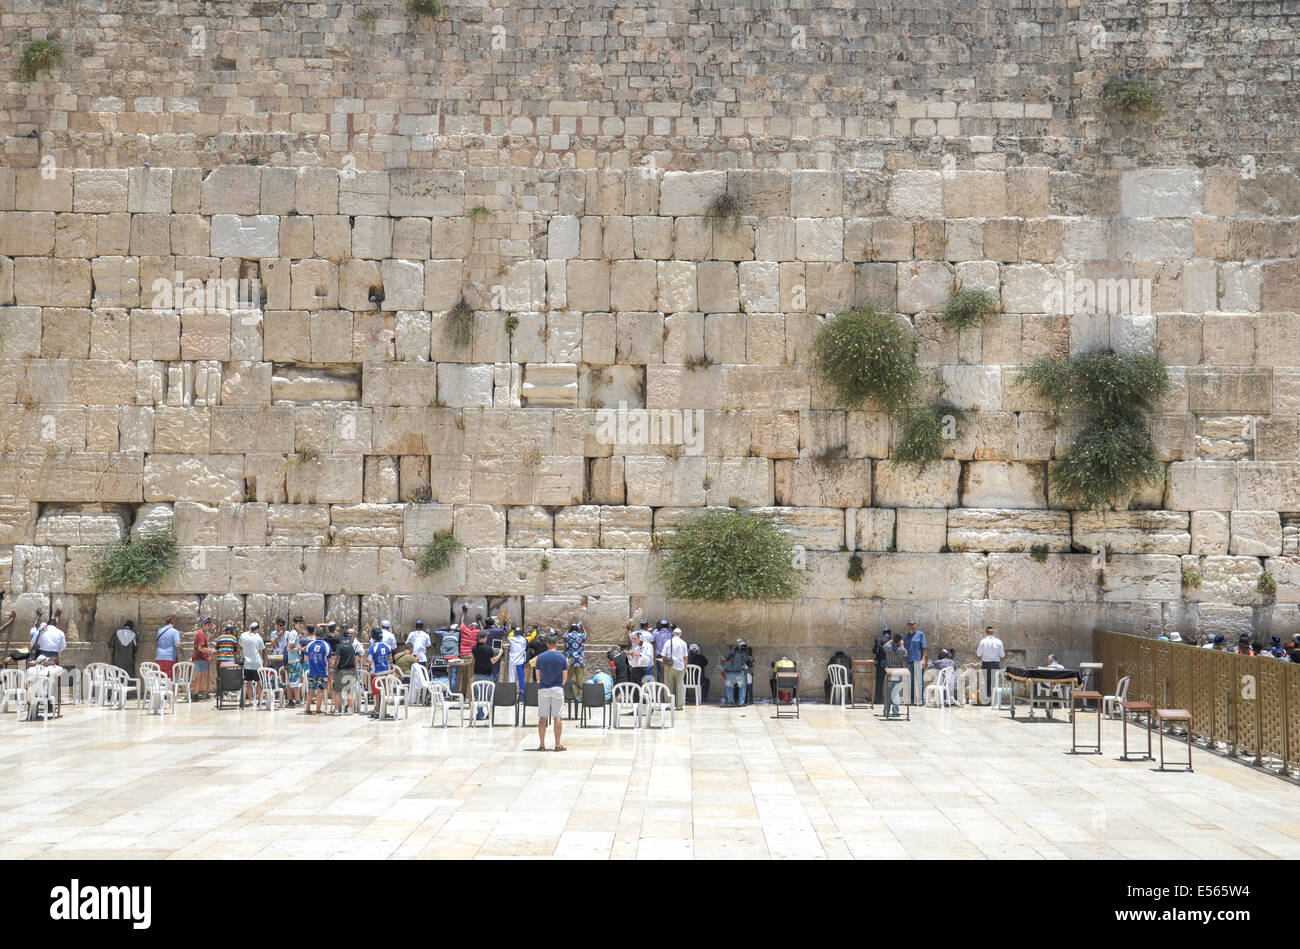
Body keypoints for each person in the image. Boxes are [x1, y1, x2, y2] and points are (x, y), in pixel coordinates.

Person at [534, 636, 568, 751]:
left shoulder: (540, 658)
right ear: (557, 643)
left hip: (543, 688)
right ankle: (557, 745)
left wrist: (543, 682)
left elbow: (537, 676)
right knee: (557, 716)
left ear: (547, 643)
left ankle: (542, 745)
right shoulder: (562, 658)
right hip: (557, 687)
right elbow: (565, 677)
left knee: (542, 717)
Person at [470, 629, 503, 720]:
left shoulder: (474, 649)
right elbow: (493, 661)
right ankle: (489, 713)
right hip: (488, 674)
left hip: (477, 674)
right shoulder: (488, 649)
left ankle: (480, 714)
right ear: (484, 638)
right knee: (489, 695)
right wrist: (500, 654)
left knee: (478, 696)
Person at [303, 627, 331, 715]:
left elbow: (306, 658)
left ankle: (307, 708)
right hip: (322, 672)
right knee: (320, 690)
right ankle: (318, 709)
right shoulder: (326, 645)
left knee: (310, 690)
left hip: (312, 671)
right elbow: (329, 659)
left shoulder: (310, 645)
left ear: (315, 634)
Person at [660, 626, 689, 710]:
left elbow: (663, 655)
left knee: (668, 685)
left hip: (669, 666)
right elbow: (685, 657)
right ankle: (679, 705)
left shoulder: (668, 642)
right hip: (680, 667)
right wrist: (685, 667)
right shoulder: (683, 643)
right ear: (680, 634)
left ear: (673, 634)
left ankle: (669, 704)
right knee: (679, 686)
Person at [975, 626, 1005, 706]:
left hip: (986, 663)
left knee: (987, 682)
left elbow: (978, 654)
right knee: (995, 682)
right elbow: (1002, 655)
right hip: (995, 663)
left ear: (986, 632)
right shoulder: (999, 641)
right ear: (993, 632)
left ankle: (988, 701)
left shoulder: (983, 641)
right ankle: (995, 701)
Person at [367, 629, 393, 717]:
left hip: (376, 673)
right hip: (386, 672)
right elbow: (390, 659)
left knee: (377, 692)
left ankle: (377, 709)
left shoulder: (373, 647)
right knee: (384, 691)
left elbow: (370, 660)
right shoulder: (387, 646)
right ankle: (384, 710)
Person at [881, 631, 908, 716]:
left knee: (888, 692)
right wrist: (902, 644)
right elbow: (905, 653)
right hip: (898, 672)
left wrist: (891, 640)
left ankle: (886, 711)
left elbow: (884, 646)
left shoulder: (888, 648)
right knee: (896, 692)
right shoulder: (901, 649)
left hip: (889, 672)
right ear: (900, 640)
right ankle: (895, 711)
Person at [332, 630, 358, 714]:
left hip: (341, 671)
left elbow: (336, 658)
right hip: (351, 671)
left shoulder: (339, 646)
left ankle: (336, 710)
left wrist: (333, 668)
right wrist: (355, 669)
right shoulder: (351, 646)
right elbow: (355, 658)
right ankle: (349, 709)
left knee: (337, 691)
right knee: (349, 691)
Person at [240, 621, 265, 705]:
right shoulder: (258, 637)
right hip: (257, 663)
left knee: (249, 682)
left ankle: (251, 701)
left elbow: (240, 646)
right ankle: (260, 700)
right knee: (259, 682)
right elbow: (261, 650)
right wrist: (261, 658)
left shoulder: (243, 635)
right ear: (257, 629)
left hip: (247, 663)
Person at [562, 622, 588, 702]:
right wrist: (583, 627)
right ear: (577, 629)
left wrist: (568, 629)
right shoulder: (581, 635)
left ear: (571, 629)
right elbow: (586, 634)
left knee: (568, 678)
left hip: (570, 660)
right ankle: (579, 696)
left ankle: (568, 696)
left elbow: (564, 634)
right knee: (579, 678)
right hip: (580, 660)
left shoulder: (567, 636)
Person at [720, 640, 752, 706]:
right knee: (742, 687)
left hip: (729, 674)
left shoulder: (731, 653)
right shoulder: (743, 655)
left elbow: (723, 659)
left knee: (729, 687)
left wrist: (723, 667)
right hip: (738, 674)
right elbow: (751, 662)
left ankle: (730, 702)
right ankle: (741, 703)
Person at [904, 620, 927, 706]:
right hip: (909, 661)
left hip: (918, 661)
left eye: (912, 624)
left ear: (915, 625)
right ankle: (912, 699)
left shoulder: (920, 634)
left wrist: (923, 659)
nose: (911, 626)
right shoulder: (906, 636)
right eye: (909, 624)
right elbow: (905, 648)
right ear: (907, 625)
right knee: (910, 681)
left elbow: (924, 647)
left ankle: (921, 700)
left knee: (919, 681)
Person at [192, 617, 212, 700]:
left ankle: (196, 694)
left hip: (201, 659)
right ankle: (195, 695)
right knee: (199, 678)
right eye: (209, 625)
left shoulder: (201, 633)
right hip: (200, 659)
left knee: (200, 678)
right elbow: (200, 648)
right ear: (205, 625)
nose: (209, 627)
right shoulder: (201, 634)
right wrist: (210, 651)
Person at [506, 626, 528, 695]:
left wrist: (512, 630)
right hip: (520, 662)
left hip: (512, 661)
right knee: (521, 679)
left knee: (511, 679)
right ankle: (522, 696)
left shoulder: (511, 639)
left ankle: (511, 695)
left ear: (515, 633)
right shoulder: (524, 640)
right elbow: (531, 637)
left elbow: (510, 635)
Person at [872, 628, 892, 705]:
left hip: (881, 662)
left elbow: (874, 651)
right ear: (889, 633)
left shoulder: (878, 639)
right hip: (890, 663)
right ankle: (891, 700)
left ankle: (878, 700)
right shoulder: (892, 640)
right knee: (892, 682)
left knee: (879, 682)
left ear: (883, 633)